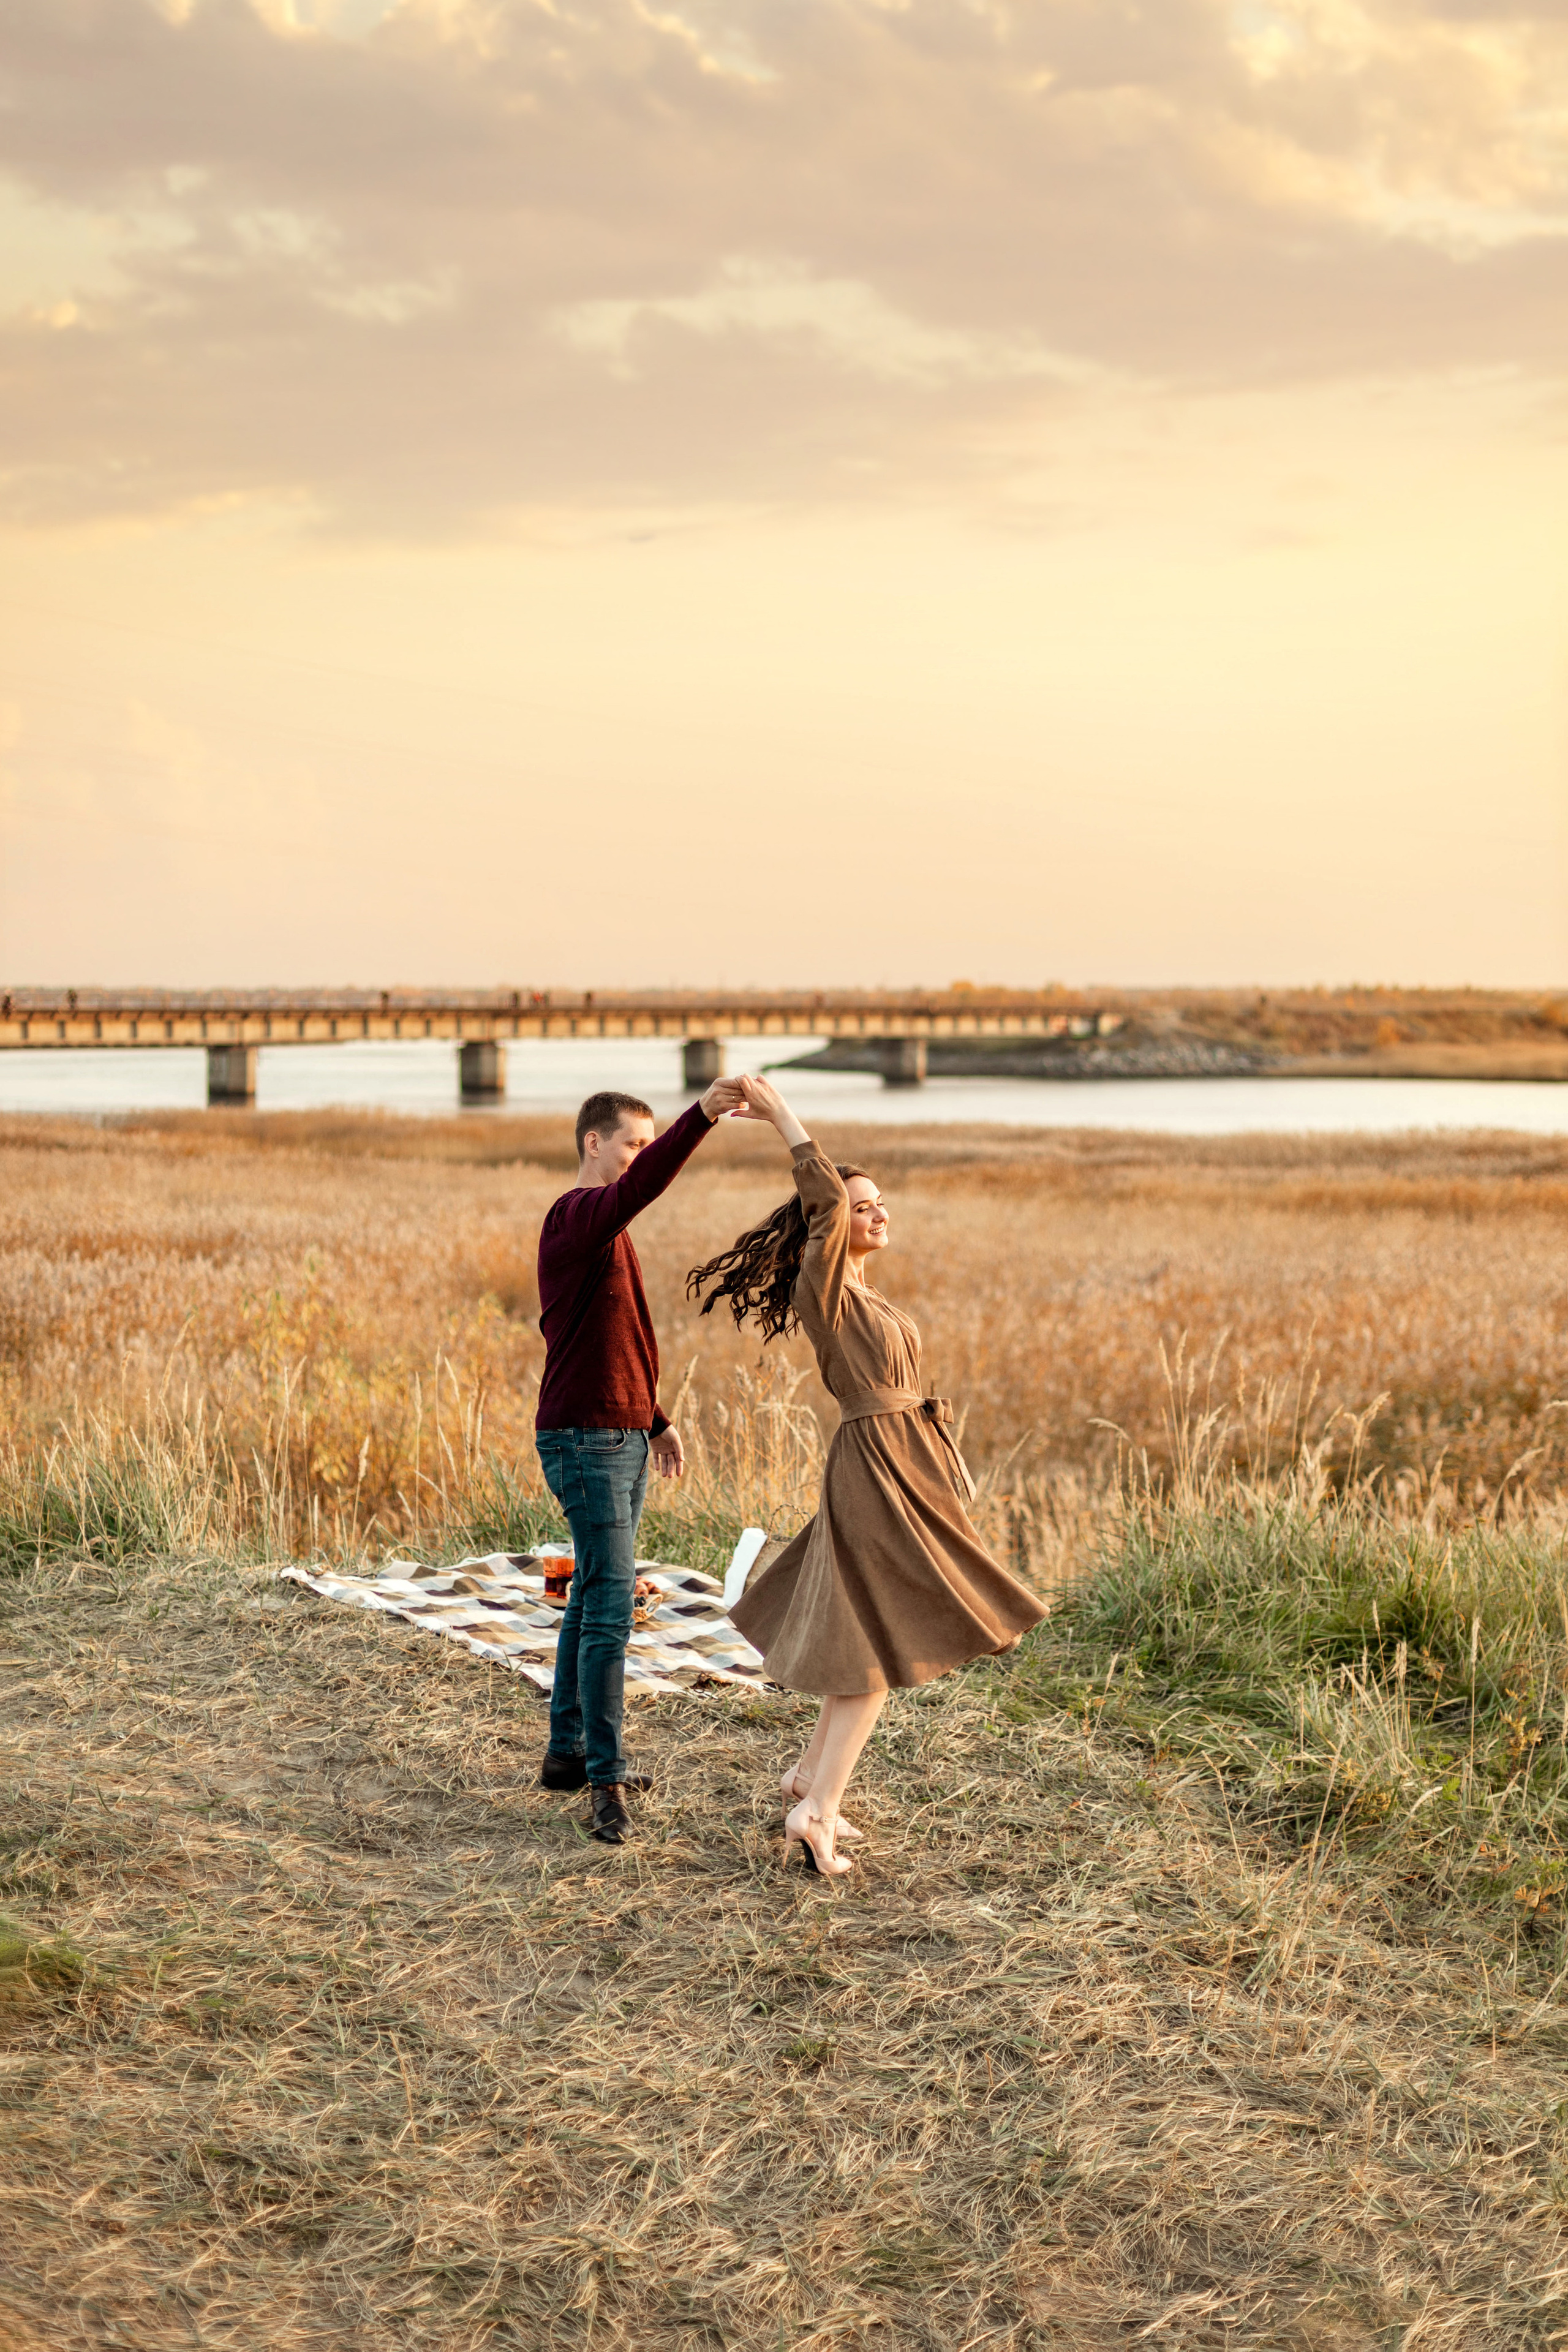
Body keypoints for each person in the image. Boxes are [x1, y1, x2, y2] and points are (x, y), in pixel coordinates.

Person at [686, 1072, 1046, 1876]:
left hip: (901, 1463)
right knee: (875, 1648)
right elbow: (821, 1203)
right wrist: (783, 1117)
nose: (879, 1214)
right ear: (831, 1223)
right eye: (862, 1206)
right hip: (874, 1466)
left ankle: (808, 1779)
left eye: (882, 1203)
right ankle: (816, 1811)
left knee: (866, 1630)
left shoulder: (863, 1293)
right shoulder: (824, 1285)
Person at [537, 1076, 744, 1842]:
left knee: (593, 1595)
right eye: (633, 1142)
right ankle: (606, 1779)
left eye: (648, 1144)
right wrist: (703, 1116)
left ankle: (567, 1754)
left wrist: (655, 1421)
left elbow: (611, 1342)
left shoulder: (606, 1233)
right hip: (586, 1440)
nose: (641, 1155)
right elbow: (643, 1188)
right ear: (594, 1143)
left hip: (619, 1433)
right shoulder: (577, 1216)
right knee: (609, 1610)